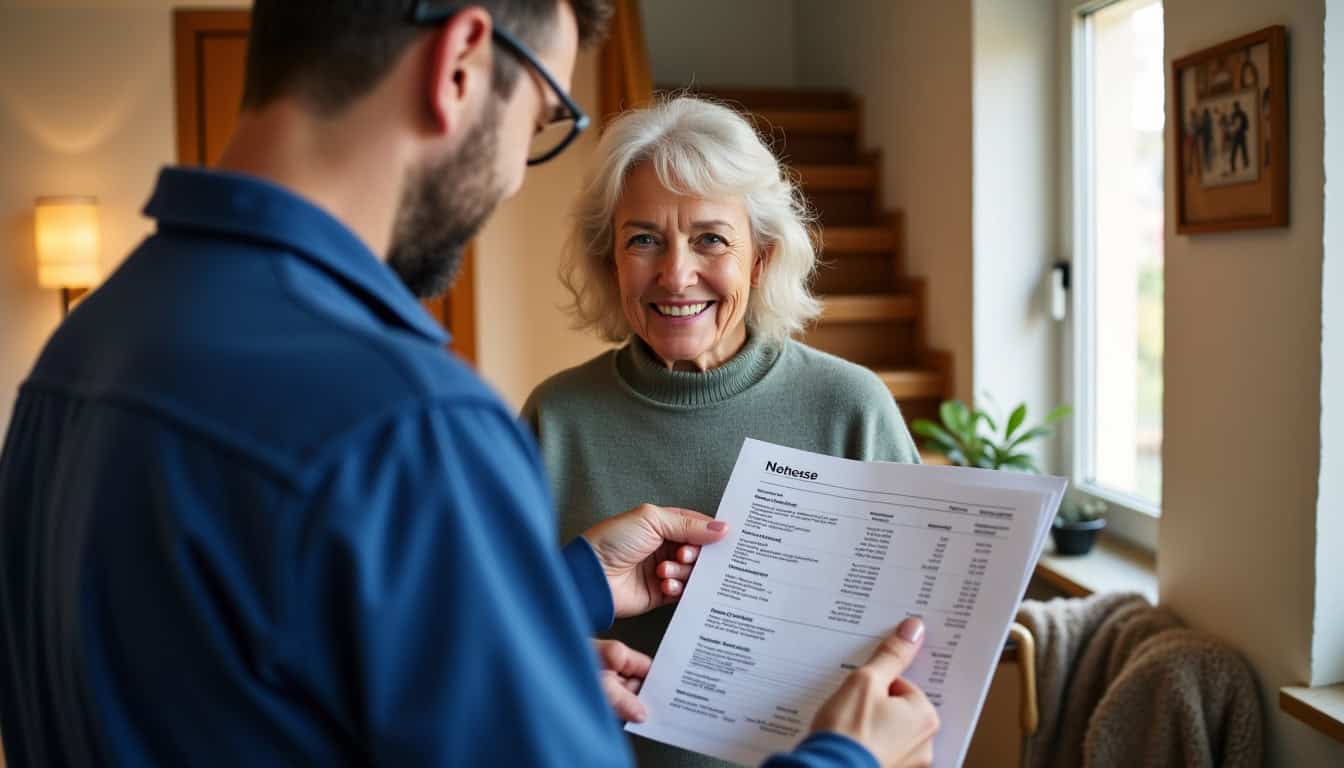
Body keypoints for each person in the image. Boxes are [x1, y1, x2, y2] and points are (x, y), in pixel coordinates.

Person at [0, 2, 937, 767]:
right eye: (538, 121)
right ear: (461, 64)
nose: (511, 181)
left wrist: (565, 588)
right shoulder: (406, 424)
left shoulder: (80, 354)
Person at [523, 96, 926, 768]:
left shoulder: (850, 406)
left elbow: (918, 633)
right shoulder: (554, 419)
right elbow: (487, 638)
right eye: (643, 239)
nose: (676, 274)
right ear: (611, 261)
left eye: (710, 238)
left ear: (761, 258)